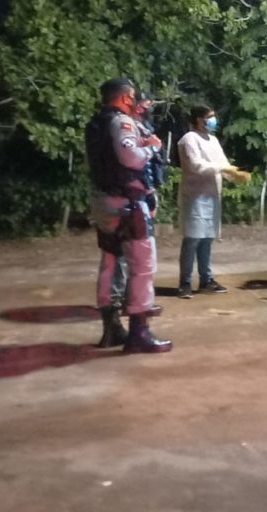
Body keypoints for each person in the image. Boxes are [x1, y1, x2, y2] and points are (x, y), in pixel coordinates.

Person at [85, 78, 172, 353]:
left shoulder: (96, 123)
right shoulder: (122, 122)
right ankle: (139, 333)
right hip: (127, 203)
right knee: (143, 266)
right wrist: (152, 147)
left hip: (103, 201)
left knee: (110, 262)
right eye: (133, 97)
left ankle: (111, 328)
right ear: (125, 98)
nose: (137, 102)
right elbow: (130, 158)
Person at [176, 104, 246, 299]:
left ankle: (206, 279)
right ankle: (185, 282)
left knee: (207, 238)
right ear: (199, 119)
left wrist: (235, 174)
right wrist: (222, 169)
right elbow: (196, 166)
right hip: (195, 196)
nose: (213, 120)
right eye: (210, 117)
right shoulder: (188, 139)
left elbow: (224, 164)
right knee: (192, 239)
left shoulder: (213, 140)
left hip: (212, 196)